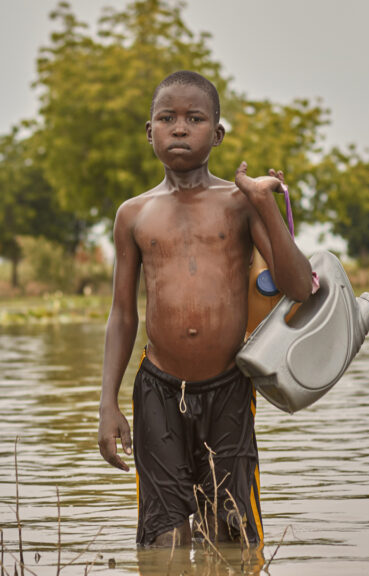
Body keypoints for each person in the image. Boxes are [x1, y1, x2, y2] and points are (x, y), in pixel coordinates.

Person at [97, 70, 313, 548]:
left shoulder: (240, 203)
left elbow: (299, 287)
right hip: (157, 391)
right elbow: (123, 314)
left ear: (217, 134)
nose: (179, 128)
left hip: (229, 389)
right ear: (148, 130)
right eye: (166, 118)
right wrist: (107, 403)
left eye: (194, 118)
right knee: (164, 540)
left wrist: (264, 203)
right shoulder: (134, 213)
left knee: (233, 534)